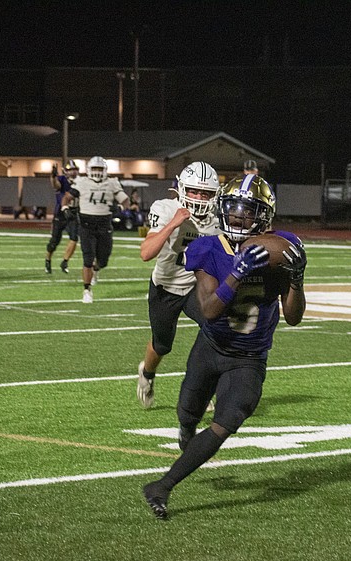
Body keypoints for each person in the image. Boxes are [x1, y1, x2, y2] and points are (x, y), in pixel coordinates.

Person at [142, 174, 307, 520]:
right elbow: (209, 309)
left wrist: (297, 280)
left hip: (249, 357)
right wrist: (237, 274)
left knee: (228, 419)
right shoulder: (207, 247)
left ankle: (162, 485)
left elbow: (293, 317)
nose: (237, 217)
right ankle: (186, 433)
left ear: (263, 217)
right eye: (233, 208)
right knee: (187, 413)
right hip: (211, 346)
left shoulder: (279, 248)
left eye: (248, 211)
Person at [137, 161, 221, 409]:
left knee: (215, 329)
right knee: (162, 344)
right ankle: (147, 374)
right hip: (165, 285)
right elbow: (145, 253)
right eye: (194, 191)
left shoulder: (216, 221)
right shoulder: (165, 208)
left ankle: (201, 386)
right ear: (182, 189)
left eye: (205, 193)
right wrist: (174, 223)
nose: (198, 197)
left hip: (196, 286)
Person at [69, 155, 130, 303]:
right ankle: (87, 290)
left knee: (103, 260)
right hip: (86, 223)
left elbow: (125, 200)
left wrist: (120, 207)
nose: (97, 171)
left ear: (105, 170)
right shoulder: (82, 182)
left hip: (104, 224)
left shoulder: (112, 183)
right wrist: (66, 206)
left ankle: (96, 270)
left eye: (99, 168)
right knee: (88, 258)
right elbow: (67, 196)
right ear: (89, 169)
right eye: (95, 168)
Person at [45, 160, 80, 274]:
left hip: (73, 213)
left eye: (75, 169)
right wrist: (53, 176)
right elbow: (56, 185)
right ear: (66, 171)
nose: (73, 172)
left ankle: (64, 261)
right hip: (61, 213)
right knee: (55, 241)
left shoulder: (81, 182)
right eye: (71, 170)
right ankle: (48, 260)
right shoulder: (62, 180)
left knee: (74, 237)